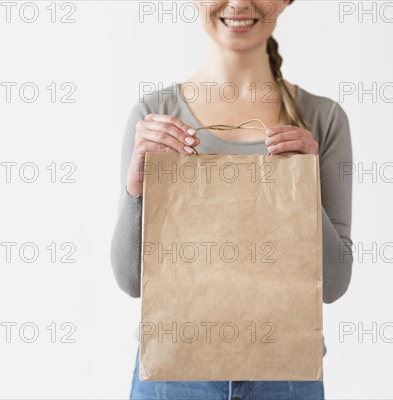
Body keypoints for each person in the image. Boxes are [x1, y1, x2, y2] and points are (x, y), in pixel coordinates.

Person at [111, 1, 353, 398]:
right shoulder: (155, 116)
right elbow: (132, 281)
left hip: (288, 378)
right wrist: (136, 190)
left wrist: (304, 189)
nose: (239, 3)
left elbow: (334, 285)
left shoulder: (322, 119)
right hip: (173, 378)